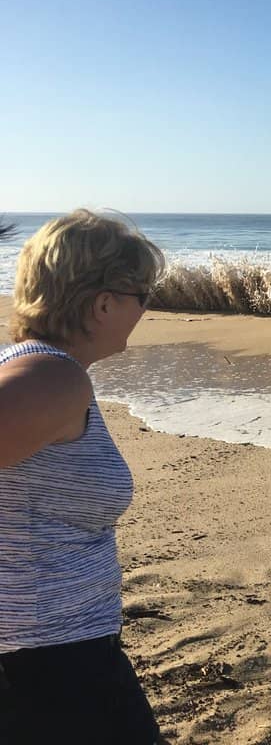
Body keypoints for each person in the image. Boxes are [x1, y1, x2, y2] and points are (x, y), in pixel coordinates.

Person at [0, 209, 165, 744]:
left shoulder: (31, 367)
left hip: (49, 651)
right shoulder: (53, 377)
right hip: (48, 664)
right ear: (103, 303)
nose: (145, 310)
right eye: (144, 295)